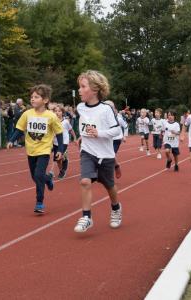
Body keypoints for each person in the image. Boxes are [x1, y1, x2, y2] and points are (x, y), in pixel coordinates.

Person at [73, 70, 122, 233]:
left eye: (82, 86)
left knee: (110, 186)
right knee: (85, 181)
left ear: (94, 89)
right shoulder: (80, 107)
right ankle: (86, 217)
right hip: (87, 152)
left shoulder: (106, 109)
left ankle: (116, 208)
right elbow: (86, 124)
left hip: (105, 155)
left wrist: (99, 133)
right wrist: (82, 136)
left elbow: (117, 131)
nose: (79, 90)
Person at [7, 84, 64, 214]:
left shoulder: (51, 116)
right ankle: (48, 179)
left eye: (36, 97)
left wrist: (59, 149)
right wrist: (11, 140)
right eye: (32, 97)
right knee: (35, 176)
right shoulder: (27, 114)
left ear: (45, 100)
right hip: (30, 150)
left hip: (44, 150)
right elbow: (19, 129)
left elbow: (59, 133)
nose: (32, 99)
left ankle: (39, 202)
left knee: (38, 175)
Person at [49, 105, 77, 179]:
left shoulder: (65, 122)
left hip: (64, 142)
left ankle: (53, 171)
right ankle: (62, 170)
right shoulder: (52, 122)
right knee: (58, 160)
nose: (57, 113)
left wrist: (74, 138)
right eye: (56, 111)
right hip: (55, 142)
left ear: (62, 112)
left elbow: (71, 130)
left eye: (59, 111)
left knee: (58, 157)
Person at [104, 100, 127, 179]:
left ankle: (111, 173)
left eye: (110, 107)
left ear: (114, 109)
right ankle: (116, 166)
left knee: (110, 155)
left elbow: (126, 126)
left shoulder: (119, 119)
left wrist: (124, 136)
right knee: (106, 155)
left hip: (116, 139)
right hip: (107, 139)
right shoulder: (103, 117)